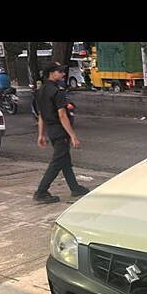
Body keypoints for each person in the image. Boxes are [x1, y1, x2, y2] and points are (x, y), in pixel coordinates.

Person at [34, 61, 89, 203]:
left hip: (52, 130)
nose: (63, 74)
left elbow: (41, 115)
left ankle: (74, 187)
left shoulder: (41, 91)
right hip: (59, 130)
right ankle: (41, 192)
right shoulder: (56, 92)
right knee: (57, 162)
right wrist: (73, 135)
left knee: (65, 160)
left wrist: (41, 134)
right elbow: (62, 115)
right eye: (60, 71)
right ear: (52, 73)